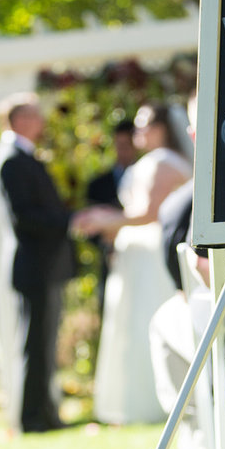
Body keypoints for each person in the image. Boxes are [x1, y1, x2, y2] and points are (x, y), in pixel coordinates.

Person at [87, 101, 193, 425]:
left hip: (149, 256)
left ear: (162, 128)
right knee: (130, 325)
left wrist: (106, 220)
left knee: (147, 319)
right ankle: (131, 403)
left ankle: (155, 402)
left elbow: (149, 214)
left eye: (144, 124)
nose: (138, 132)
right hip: (136, 254)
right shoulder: (154, 161)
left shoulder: (163, 163)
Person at [0, 92, 77, 433]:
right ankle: (32, 418)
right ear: (19, 120)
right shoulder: (10, 160)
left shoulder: (22, 157)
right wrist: (69, 220)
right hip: (33, 266)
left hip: (44, 266)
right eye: (35, 115)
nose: (41, 121)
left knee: (44, 345)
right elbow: (23, 217)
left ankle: (46, 414)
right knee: (34, 345)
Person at [84, 119, 136, 313]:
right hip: (111, 261)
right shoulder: (97, 185)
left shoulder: (153, 176)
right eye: (120, 145)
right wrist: (108, 244)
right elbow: (90, 228)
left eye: (128, 145)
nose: (124, 151)